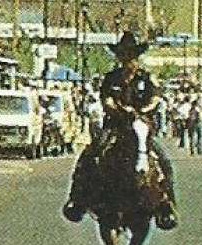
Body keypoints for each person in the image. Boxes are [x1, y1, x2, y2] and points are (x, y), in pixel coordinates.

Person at [64, 31, 178, 228]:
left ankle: (166, 204)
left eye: (131, 57)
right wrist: (119, 108)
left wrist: (141, 110)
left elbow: (155, 99)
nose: (128, 61)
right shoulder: (111, 78)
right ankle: (77, 199)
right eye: (124, 56)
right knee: (90, 154)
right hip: (116, 125)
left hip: (140, 124)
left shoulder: (146, 78)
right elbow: (106, 100)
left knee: (162, 159)